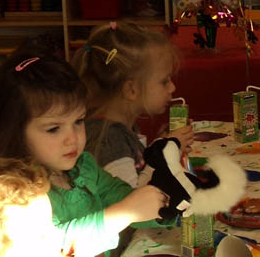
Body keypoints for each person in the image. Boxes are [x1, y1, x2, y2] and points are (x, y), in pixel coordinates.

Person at [0, 46, 166, 257]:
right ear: (15, 132)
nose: (73, 138)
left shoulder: (84, 167)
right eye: (54, 129)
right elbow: (53, 247)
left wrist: (168, 207)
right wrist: (123, 213)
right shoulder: (15, 193)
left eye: (78, 121)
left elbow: (125, 198)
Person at [73, 20, 193, 185]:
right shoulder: (109, 141)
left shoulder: (120, 129)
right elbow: (131, 197)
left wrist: (158, 145)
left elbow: (139, 169)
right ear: (131, 90)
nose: (172, 87)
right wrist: (167, 151)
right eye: (164, 81)